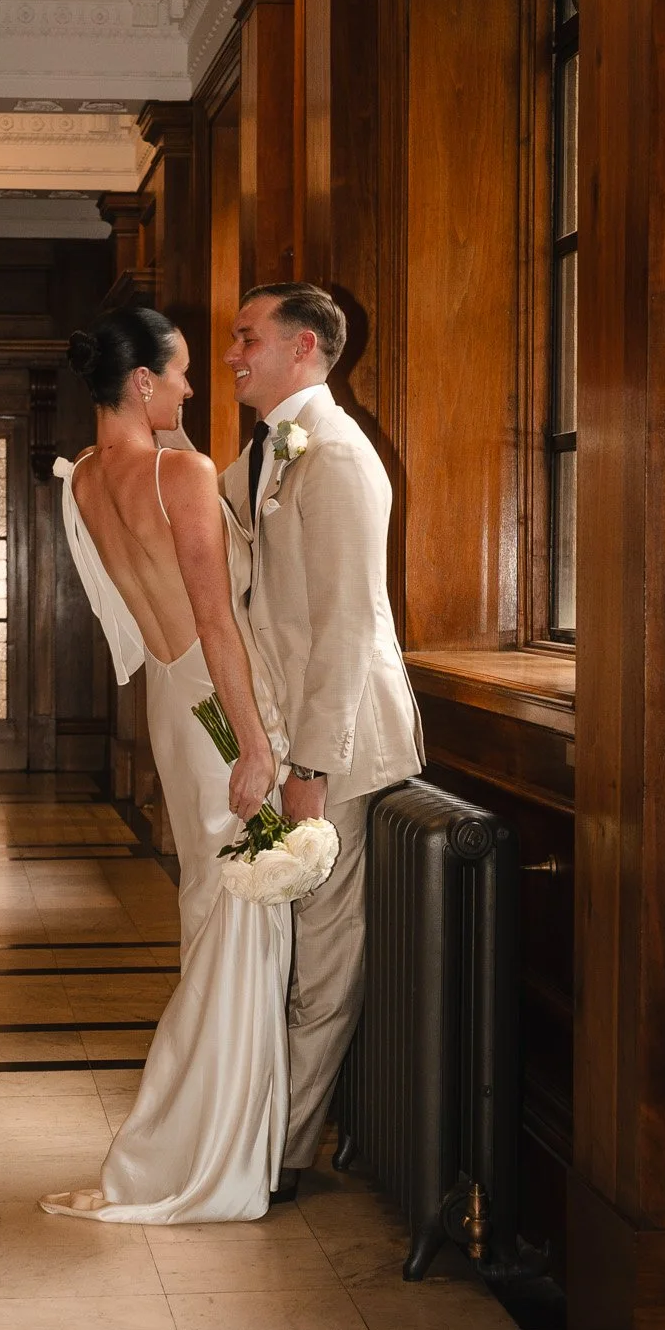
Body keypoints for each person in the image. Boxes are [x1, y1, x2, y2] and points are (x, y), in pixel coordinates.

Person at [42, 304, 293, 1222]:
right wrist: (257, 742)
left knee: (214, 912)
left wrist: (163, 426)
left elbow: (151, 597)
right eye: (180, 373)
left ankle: (210, 1137)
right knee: (241, 925)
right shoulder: (180, 473)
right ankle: (199, 1150)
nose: (194, 387)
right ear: (142, 381)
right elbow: (218, 618)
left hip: (166, 699)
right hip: (220, 706)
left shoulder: (83, 483)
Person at [221, 283, 424, 1200]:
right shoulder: (271, 449)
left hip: (339, 745)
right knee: (284, 947)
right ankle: (264, 1125)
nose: (231, 355)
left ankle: (285, 1153)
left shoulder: (338, 456)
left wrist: (310, 764)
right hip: (288, 729)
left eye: (245, 339)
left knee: (325, 956)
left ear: (302, 347)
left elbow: (348, 624)